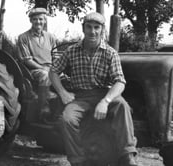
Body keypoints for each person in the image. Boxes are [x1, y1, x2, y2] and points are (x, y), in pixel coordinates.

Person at [49, 12, 138, 166]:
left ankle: (128, 156)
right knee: (66, 119)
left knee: (122, 106)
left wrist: (106, 101)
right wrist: (62, 92)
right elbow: (53, 71)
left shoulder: (110, 53)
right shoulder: (72, 51)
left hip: (104, 93)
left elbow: (120, 82)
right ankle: (78, 160)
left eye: (97, 27)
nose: (92, 31)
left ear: (102, 30)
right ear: (83, 29)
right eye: (89, 27)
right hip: (80, 97)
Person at [17, 7, 57, 118]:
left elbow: (56, 56)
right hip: (33, 70)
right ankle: (44, 107)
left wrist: (56, 67)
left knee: (68, 78)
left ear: (45, 21)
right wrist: (43, 68)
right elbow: (27, 60)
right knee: (45, 75)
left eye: (40, 19)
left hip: (50, 68)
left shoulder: (51, 37)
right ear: (31, 21)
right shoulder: (23, 38)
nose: (38, 22)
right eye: (35, 19)